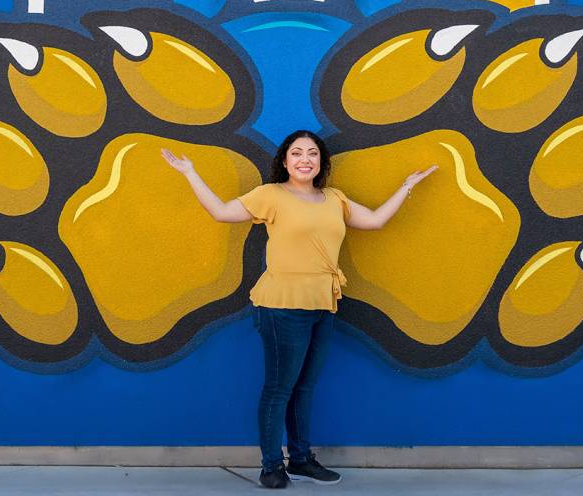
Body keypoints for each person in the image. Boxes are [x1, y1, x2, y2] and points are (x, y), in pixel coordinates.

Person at [161, 130, 437, 489]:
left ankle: (302, 459)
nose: (304, 159)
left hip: (324, 303)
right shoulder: (271, 195)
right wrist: (190, 172)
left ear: (321, 162)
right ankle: (271, 466)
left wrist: (406, 186)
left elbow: (375, 221)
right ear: (285, 160)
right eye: (296, 153)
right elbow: (221, 212)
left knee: (304, 387)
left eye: (312, 153)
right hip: (281, 307)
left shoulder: (335, 198)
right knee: (279, 388)